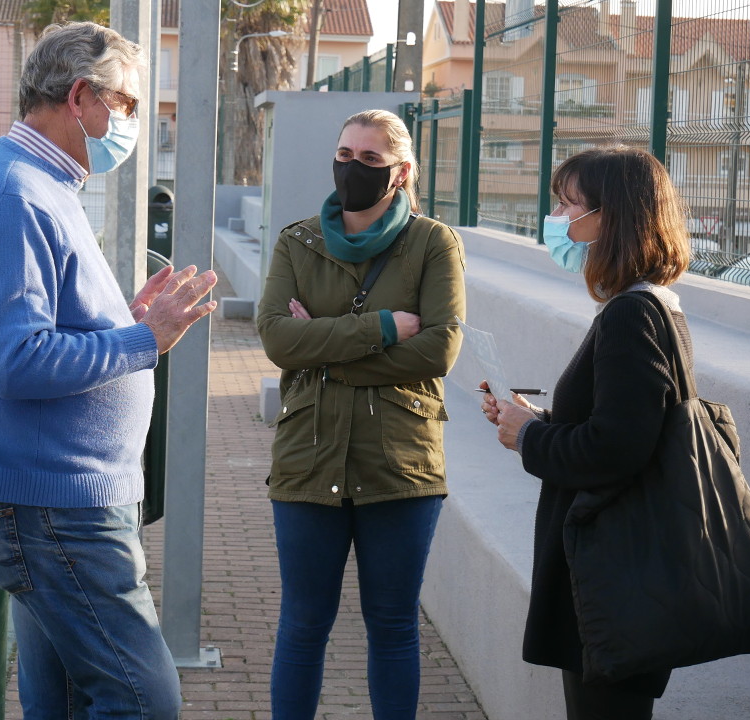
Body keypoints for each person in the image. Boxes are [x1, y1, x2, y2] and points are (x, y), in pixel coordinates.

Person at [0, 21, 217, 719]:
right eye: (129, 104)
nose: (135, 124)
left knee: (60, 701)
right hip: (56, 511)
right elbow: (19, 359)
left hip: (55, 502)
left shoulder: (38, 183)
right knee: (143, 702)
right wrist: (144, 341)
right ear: (82, 95)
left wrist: (125, 322)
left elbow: (48, 328)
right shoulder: (16, 193)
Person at [256, 109, 467, 720]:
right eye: (345, 154)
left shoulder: (433, 244)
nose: (352, 168)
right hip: (307, 455)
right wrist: (380, 329)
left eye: (370, 160)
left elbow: (439, 348)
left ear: (400, 173)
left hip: (400, 461)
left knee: (394, 623)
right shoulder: (298, 241)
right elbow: (275, 339)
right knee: (303, 623)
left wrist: (322, 348)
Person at [480, 146, 692, 720]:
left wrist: (531, 438)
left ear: (612, 216)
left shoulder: (632, 315)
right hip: (618, 575)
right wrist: (535, 422)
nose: (558, 218)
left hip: (613, 580)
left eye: (569, 204)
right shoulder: (647, 308)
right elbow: (622, 428)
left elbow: (617, 450)